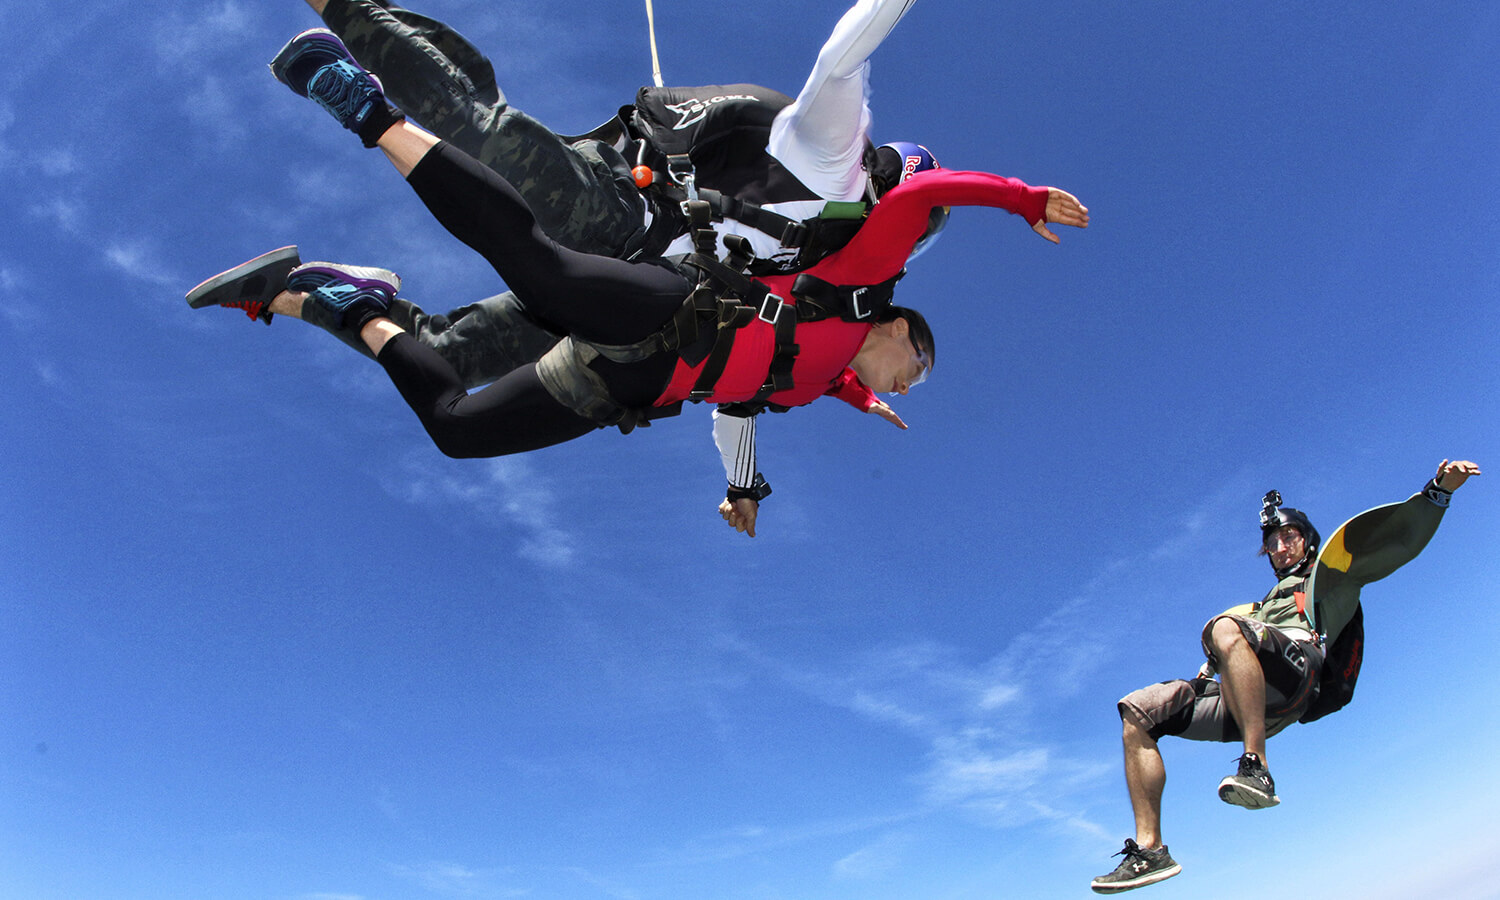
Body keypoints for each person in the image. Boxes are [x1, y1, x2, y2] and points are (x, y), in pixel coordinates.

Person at [191, 29, 1084, 536]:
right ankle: (368, 107)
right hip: (658, 281)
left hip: (627, 376)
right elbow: (898, 177)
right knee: (531, 249)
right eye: (915, 368)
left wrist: (758, 482)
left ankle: (345, 302)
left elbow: (760, 396)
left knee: (455, 422)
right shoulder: (853, 248)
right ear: (902, 327)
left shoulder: (825, 363)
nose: (909, 384)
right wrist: (1020, 195)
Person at [197, 0, 1086, 388]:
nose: (909, 225)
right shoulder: (829, 153)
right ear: (896, 176)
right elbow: (846, 54)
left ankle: (318, 295)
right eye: (917, 206)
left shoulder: (839, 271)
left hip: (623, 295)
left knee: (455, 364)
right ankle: (348, 20)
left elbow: (781, 368)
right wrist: (1015, 196)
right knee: (480, 133)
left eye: (922, 227)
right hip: (633, 210)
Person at [1089, 459, 1482, 893]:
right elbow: (1226, 648)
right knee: (1138, 712)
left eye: (1287, 536)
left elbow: (1398, 540)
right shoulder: (1257, 609)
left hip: (1298, 673)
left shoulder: (1333, 574)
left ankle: (1255, 766)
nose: (1279, 546)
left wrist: (1440, 490)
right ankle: (1152, 850)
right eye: (1272, 541)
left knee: (1224, 626)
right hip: (1249, 695)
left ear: (1308, 541)